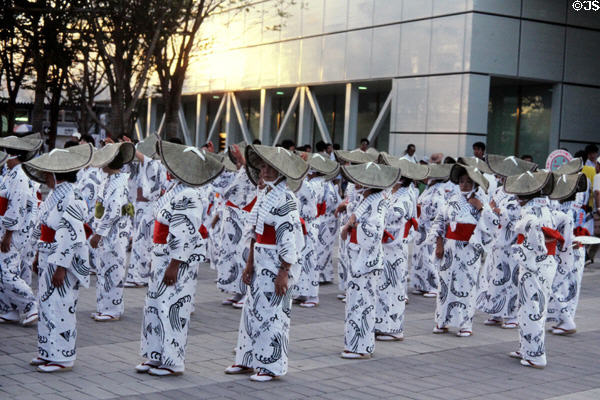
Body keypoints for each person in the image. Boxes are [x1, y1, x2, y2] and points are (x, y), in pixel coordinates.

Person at [137, 141, 224, 376]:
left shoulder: (189, 194)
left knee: (172, 308)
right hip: (161, 254)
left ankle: (172, 360)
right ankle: (155, 354)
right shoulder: (175, 188)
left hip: (176, 259)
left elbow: (183, 232)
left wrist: (175, 264)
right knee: (155, 306)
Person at [225, 144, 307, 382]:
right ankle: (247, 358)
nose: (265, 170)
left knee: (273, 313)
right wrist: (249, 264)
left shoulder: (287, 198)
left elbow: (288, 238)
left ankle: (271, 365)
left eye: (271, 167)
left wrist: (284, 271)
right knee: (252, 311)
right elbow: (254, 233)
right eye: (263, 165)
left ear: (281, 171)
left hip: (276, 260)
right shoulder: (265, 194)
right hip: (261, 257)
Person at [24, 143, 94, 372]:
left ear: (56, 173)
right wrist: (36, 253)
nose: (44, 176)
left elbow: (70, 234)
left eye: (47, 172)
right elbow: (43, 224)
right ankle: (47, 351)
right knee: (46, 305)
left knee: (61, 307)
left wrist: (62, 266)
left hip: (61, 259)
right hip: (48, 254)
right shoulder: (55, 195)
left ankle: (62, 356)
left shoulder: (72, 197)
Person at [338, 162, 398, 359]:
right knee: (356, 300)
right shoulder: (366, 200)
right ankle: (355, 343)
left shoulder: (377, 201)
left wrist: (355, 225)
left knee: (363, 302)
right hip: (357, 254)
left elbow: (374, 232)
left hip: (367, 257)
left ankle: (361, 346)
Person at [476, 155, 536, 329]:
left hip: (511, 243)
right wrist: (492, 209)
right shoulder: (499, 190)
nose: (502, 176)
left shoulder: (520, 192)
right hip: (497, 241)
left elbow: (514, 219)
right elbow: (491, 209)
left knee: (510, 279)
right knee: (494, 278)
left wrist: (495, 210)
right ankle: (496, 311)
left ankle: (511, 315)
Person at [505, 170, 557, 369]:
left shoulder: (531, 213)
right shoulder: (544, 206)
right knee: (529, 307)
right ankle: (526, 347)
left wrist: (532, 252)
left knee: (532, 308)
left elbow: (535, 231)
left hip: (534, 263)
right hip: (543, 262)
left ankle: (535, 355)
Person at [429, 164, 489, 337]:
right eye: (461, 181)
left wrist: (481, 208)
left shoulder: (481, 201)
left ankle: (465, 324)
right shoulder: (451, 199)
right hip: (449, 249)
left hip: (469, 251)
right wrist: (439, 244)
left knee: (466, 286)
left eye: (468, 182)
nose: (464, 185)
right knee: (445, 286)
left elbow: (492, 225)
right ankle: (441, 321)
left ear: (475, 183)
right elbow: (439, 222)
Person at [376, 156, 428, 341]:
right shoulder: (391, 192)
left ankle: (393, 328)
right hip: (386, 245)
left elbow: (395, 215)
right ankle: (381, 324)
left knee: (394, 285)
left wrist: (379, 209)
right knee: (383, 285)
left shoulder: (406, 195)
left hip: (396, 245)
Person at [89, 142, 136, 321]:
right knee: (104, 268)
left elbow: (114, 211)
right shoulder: (111, 180)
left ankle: (112, 309)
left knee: (113, 269)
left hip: (114, 233)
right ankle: (104, 306)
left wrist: (99, 233)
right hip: (108, 232)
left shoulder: (119, 182)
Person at [0, 133, 43, 326]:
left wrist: (8, 234)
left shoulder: (20, 175)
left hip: (15, 231)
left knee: (6, 272)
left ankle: (30, 305)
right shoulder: (10, 173)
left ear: (12, 155)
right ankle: (10, 309)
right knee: (6, 270)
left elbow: (16, 206)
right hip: (6, 228)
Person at [547, 172, 587, 336]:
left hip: (566, 253)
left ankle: (567, 321)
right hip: (575, 251)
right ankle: (564, 320)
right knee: (568, 288)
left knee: (555, 287)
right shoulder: (573, 208)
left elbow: (565, 239)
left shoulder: (565, 212)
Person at [125, 134, 167, 288]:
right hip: (140, 208)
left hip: (150, 207)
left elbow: (144, 160)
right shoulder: (144, 165)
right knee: (140, 242)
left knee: (144, 242)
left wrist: (131, 147)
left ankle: (140, 276)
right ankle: (140, 275)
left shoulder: (156, 164)